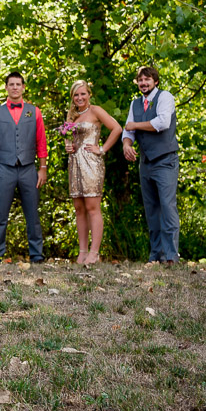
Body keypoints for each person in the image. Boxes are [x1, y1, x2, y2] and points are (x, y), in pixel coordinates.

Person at [0, 72, 48, 264]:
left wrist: (43, 168)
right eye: (11, 84)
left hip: (29, 168)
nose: (14, 87)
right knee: (0, 213)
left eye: (18, 84)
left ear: (23, 87)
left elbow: (41, 142)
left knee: (33, 214)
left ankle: (37, 256)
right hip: (4, 168)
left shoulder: (34, 111)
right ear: (6, 88)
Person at [122, 66, 179, 264]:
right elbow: (127, 131)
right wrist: (127, 144)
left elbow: (162, 122)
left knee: (167, 207)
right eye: (140, 80)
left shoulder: (165, 97)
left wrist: (135, 126)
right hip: (145, 162)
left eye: (147, 79)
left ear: (155, 81)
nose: (143, 83)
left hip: (165, 160)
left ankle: (171, 256)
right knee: (152, 210)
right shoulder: (135, 104)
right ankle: (156, 255)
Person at [64, 81, 121, 264]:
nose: (79, 98)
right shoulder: (71, 115)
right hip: (75, 164)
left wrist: (102, 149)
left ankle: (94, 252)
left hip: (91, 164)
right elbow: (71, 138)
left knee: (92, 207)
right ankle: (82, 251)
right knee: (79, 209)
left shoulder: (96, 111)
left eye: (83, 94)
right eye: (76, 95)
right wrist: (69, 146)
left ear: (89, 94)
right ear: (72, 97)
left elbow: (117, 128)